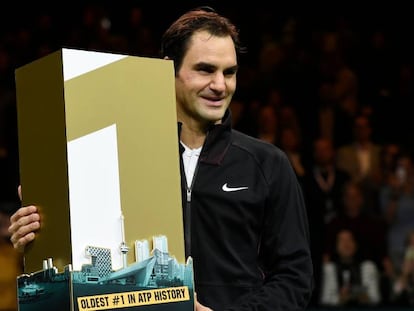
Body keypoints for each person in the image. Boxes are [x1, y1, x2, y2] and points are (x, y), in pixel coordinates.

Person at [8, 7, 313, 310]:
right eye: (205, 70)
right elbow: (91, 261)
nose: (220, 85)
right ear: (169, 70)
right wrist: (41, 236)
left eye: (229, 72)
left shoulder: (268, 164)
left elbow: (294, 278)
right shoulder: (120, 160)